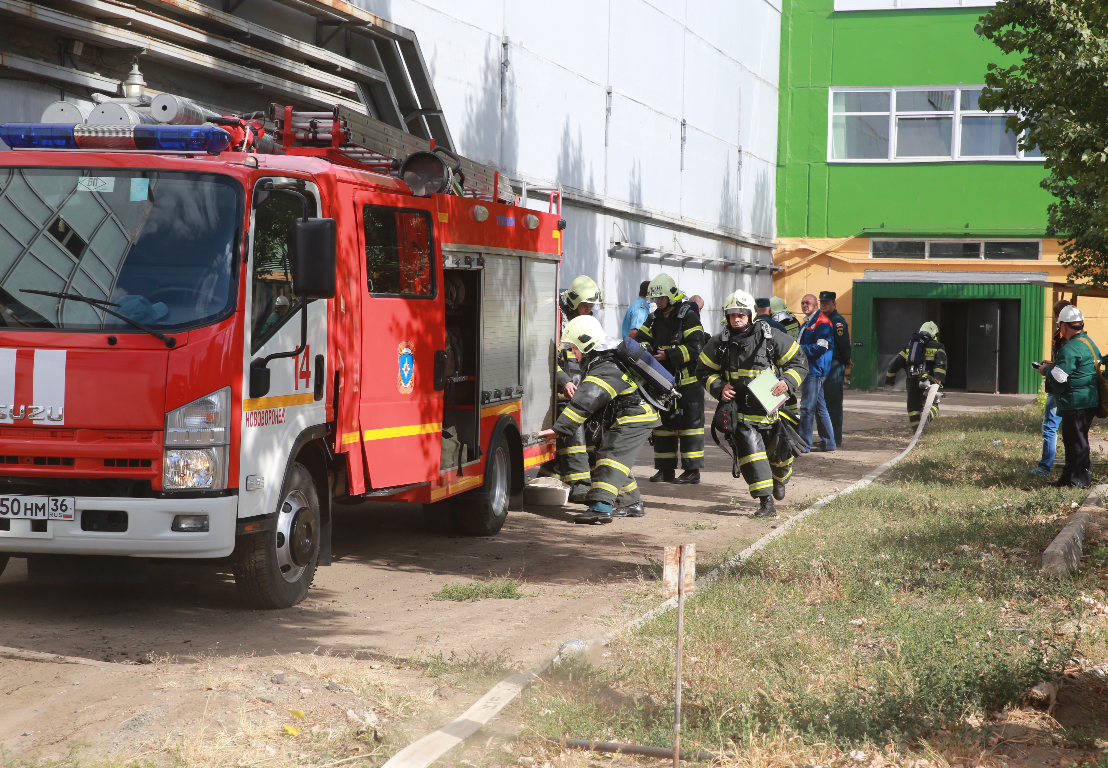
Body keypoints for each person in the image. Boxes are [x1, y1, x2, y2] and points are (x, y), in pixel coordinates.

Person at [697, 290, 807, 517]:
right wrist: (719, 387)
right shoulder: (720, 341)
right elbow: (702, 369)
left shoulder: (771, 337)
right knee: (752, 455)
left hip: (772, 409)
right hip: (741, 411)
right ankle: (766, 504)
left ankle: (779, 479)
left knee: (779, 454)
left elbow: (799, 362)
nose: (736, 319)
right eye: (732, 315)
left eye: (741, 314)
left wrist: (787, 382)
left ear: (751, 315)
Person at [551, 315, 661, 523]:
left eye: (574, 348)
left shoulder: (605, 366)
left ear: (585, 343)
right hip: (632, 414)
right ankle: (631, 503)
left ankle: (601, 507)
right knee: (612, 456)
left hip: (634, 417)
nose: (573, 354)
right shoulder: (605, 356)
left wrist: (559, 429)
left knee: (611, 458)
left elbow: (587, 399)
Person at [636, 274, 705, 484]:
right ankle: (665, 470)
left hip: (688, 383)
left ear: (671, 296)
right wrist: (645, 350)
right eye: (654, 299)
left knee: (690, 427)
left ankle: (692, 472)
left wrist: (670, 355)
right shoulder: (655, 317)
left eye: (660, 298)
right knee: (663, 427)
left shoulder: (688, 316)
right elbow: (640, 339)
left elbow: (696, 347)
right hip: (661, 382)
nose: (656, 303)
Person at [541, 275, 602, 502]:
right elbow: (547, 360)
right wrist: (564, 381)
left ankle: (548, 478)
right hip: (561, 392)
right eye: (586, 305)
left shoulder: (585, 321)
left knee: (590, 439)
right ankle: (580, 487)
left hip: (582, 392)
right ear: (574, 301)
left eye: (592, 305)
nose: (589, 310)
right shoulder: (556, 320)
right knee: (574, 438)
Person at [1039, 305, 1100, 489]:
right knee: (1074, 440)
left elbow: (1060, 376)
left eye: (1060, 326)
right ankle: (1067, 478)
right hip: (1087, 401)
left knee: (1076, 442)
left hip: (1076, 402)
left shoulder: (1070, 347)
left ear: (1064, 327)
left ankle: (1079, 481)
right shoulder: (1087, 342)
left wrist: (1045, 370)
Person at [1028, 300, 1071, 477]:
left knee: (1050, 427)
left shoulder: (1063, 336)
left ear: (1057, 316)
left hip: (1057, 388)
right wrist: (1051, 363)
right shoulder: (1078, 336)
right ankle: (1078, 466)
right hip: (1069, 389)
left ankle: (1044, 468)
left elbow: (1063, 369)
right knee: (1070, 429)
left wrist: (1046, 369)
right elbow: (1065, 363)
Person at [883, 321, 947, 430]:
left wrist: (890, 379)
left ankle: (916, 432)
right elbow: (941, 363)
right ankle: (926, 417)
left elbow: (895, 362)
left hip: (912, 380)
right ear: (935, 334)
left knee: (913, 407)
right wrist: (938, 378)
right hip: (929, 380)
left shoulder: (910, 346)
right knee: (933, 404)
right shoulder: (938, 346)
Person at [797, 293, 836, 452]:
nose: (805, 305)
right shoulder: (809, 322)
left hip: (815, 370)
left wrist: (797, 349)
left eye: (808, 303)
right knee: (820, 408)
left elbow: (821, 347)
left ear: (815, 305)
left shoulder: (822, 322)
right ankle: (829, 443)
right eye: (802, 303)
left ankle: (803, 445)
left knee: (807, 408)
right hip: (812, 369)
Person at [817, 291, 851, 450]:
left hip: (834, 365)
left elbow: (844, 344)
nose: (823, 305)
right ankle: (826, 437)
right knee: (822, 403)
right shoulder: (822, 319)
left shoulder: (837, 322)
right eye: (821, 302)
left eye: (827, 302)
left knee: (833, 403)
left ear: (834, 304)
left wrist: (846, 361)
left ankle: (835, 438)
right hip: (823, 365)